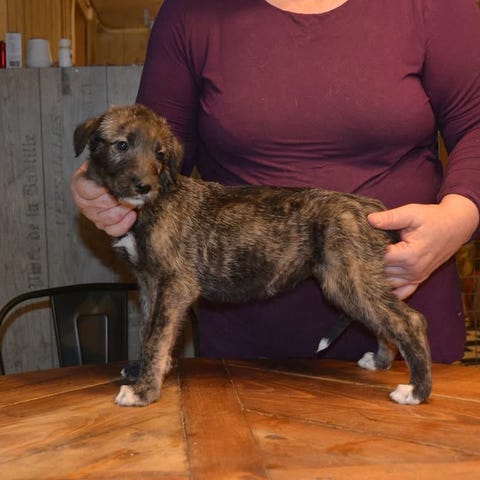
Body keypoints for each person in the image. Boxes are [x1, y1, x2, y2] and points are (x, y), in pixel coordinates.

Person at [71, 0, 480, 363]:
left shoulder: (435, 5)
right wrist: (99, 183)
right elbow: (153, 148)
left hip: (401, 296)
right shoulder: (190, 12)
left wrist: (459, 216)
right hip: (246, 343)